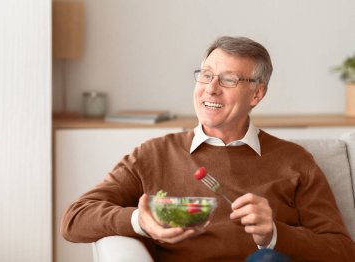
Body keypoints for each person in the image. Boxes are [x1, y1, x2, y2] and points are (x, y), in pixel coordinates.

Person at [61, 36, 355, 261]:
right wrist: (141, 221)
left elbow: (342, 250)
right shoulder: (153, 155)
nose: (211, 88)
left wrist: (275, 234)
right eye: (205, 75)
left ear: (257, 93)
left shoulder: (295, 161)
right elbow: (74, 219)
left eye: (228, 79)